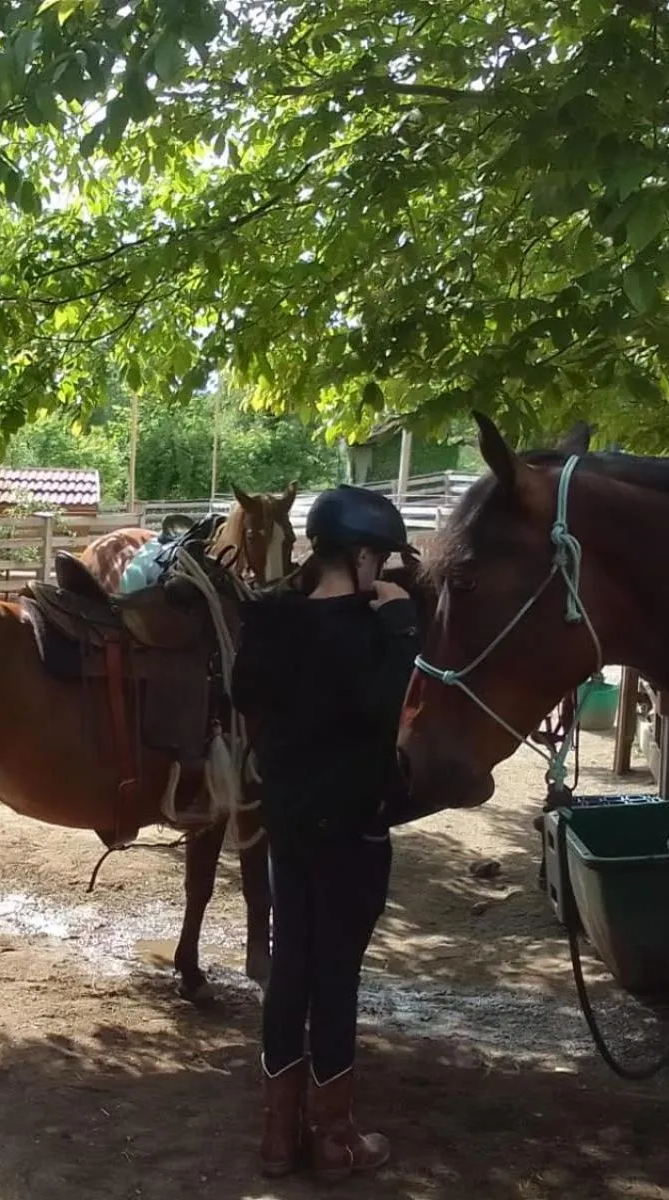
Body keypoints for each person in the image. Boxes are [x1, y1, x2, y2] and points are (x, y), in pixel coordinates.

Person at [230, 484, 420, 1181]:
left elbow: (244, 694)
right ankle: (335, 1140)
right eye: (381, 557)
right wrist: (402, 628)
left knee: (289, 970)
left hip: (286, 819)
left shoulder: (273, 616)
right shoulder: (380, 631)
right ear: (365, 555)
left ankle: (279, 1136)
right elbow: (388, 712)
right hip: (353, 826)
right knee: (336, 975)